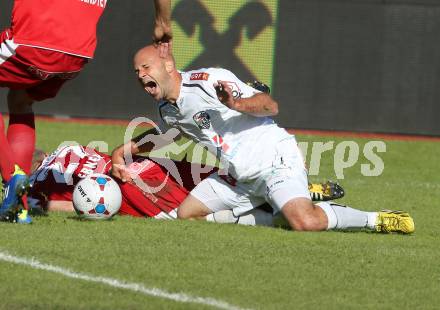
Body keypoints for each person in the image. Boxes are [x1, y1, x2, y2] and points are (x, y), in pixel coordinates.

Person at [111, 45, 415, 234]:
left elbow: (271, 106)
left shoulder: (209, 81)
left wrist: (237, 104)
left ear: (167, 66)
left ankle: (376, 219)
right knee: (187, 215)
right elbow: (167, 135)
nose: (140, 75)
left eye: (145, 67)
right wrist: (128, 148)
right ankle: (284, 204)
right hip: (240, 176)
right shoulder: (168, 108)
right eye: (136, 71)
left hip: (273, 160)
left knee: (305, 224)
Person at [0, 0, 173, 223]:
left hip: (36, 38)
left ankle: (13, 181)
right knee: (20, 99)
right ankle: (19, 207)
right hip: (77, 53)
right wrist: (162, 21)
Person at [22, 145, 342, 227]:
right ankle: (287, 187)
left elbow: (60, 203)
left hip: (123, 186)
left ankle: (275, 203)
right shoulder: (68, 149)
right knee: (213, 177)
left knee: (187, 208)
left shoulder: (35, 182)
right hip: (141, 164)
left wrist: (33, 202)